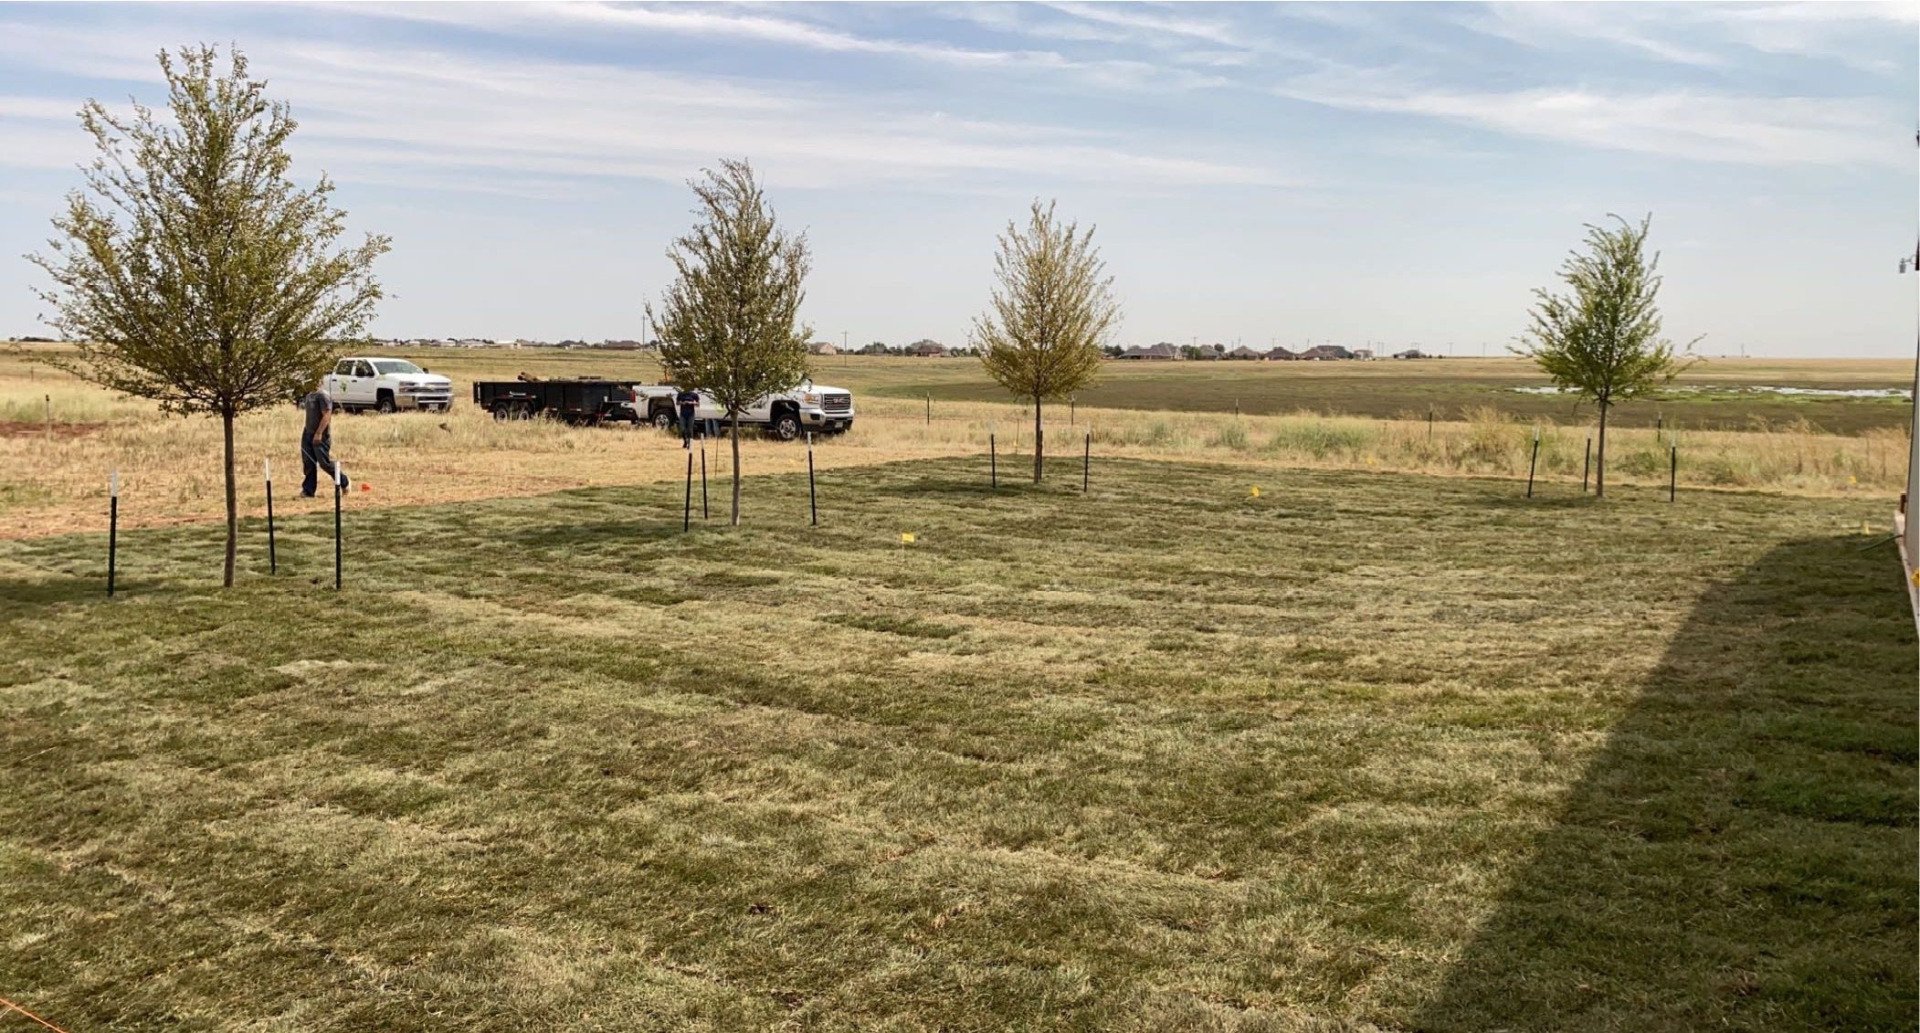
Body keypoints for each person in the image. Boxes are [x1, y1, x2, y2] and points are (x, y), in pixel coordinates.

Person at [299, 379, 348, 496]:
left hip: (320, 434)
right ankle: (308, 490)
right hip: (308, 433)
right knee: (308, 462)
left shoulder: (323, 395)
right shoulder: (309, 395)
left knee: (324, 463)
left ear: (319, 381)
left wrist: (319, 433)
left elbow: (327, 415)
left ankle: (344, 481)